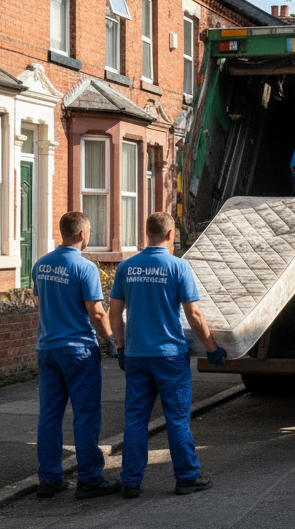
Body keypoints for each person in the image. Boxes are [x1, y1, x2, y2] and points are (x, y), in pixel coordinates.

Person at [110, 212, 226, 497]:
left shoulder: (126, 267)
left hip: (137, 355)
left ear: (146, 233)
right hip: (170, 356)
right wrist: (211, 346)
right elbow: (193, 314)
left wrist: (121, 347)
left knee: (136, 419)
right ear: (171, 234)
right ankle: (186, 478)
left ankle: (130, 482)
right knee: (176, 418)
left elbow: (114, 313)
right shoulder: (178, 267)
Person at [32, 211, 121, 499]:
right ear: (82, 234)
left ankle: (49, 479)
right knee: (85, 415)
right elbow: (97, 312)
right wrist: (112, 339)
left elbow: (40, 302)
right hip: (78, 351)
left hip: (47, 348)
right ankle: (90, 479)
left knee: (49, 415)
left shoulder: (41, 265)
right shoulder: (85, 268)